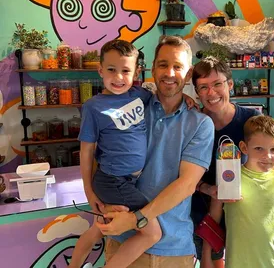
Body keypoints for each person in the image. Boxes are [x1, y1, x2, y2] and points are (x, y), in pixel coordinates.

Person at [96, 35, 215, 268]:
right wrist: (98, 200)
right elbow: (101, 157)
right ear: (152, 69)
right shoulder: (130, 109)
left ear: (188, 74)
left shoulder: (200, 124)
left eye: (178, 67)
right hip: (124, 242)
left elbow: (187, 184)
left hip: (173, 247)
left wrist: (137, 218)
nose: (169, 73)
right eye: (163, 65)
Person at [69, 39, 162, 268]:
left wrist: (188, 99)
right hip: (112, 181)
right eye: (111, 70)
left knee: (98, 229)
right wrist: (88, 191)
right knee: (152, 232)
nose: (118, 77)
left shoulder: (142, 96)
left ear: (136, 72)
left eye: (125, 71)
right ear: (100, 70)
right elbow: (86, 151)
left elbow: (166, 101)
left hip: (127, 181)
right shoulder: (93, 106)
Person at [191, 56, 260, 267]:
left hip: (243, 211)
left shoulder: (252, 120)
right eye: (203, 87)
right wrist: (208, 189)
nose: (211, 93)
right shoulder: (192, 124)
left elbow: (268, 170)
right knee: (210, 261)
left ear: (230, 84)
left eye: (217, 84)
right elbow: (182, 175)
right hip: (202, 212)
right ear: (197, 93)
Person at [204, 115, 274, 268]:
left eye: (273, 149)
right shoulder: (229, 179)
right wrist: (206, 255)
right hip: (239, 262)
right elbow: (213, 219)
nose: (267, 156)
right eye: (259, 149)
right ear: (244, 148)